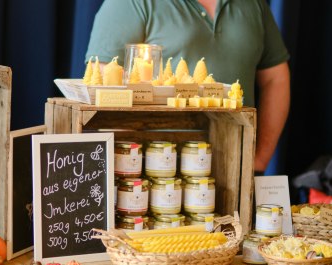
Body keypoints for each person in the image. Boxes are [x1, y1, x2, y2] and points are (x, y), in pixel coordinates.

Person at [85, 0, 290, 175]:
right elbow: (105, 86)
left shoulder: (254, 4)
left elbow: (275, 79)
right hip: (158, 174)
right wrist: (130, 167)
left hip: (237, 171)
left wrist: (260, 158)